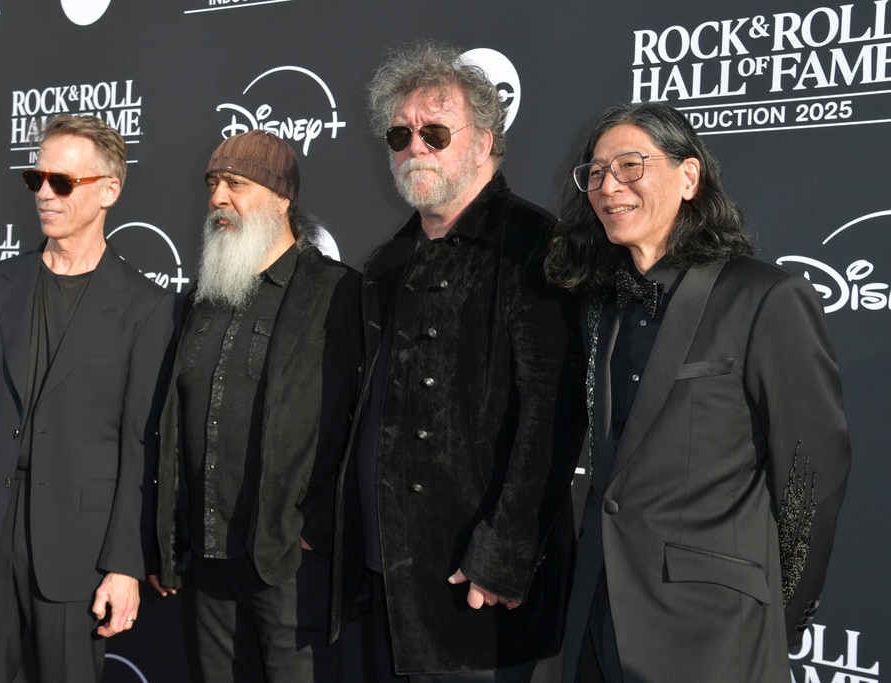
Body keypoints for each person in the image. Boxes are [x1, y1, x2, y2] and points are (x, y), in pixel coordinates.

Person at [544, 101, 852, 682]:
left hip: (714, 632)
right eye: (597, 172)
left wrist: (777, 618)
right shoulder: (602, 305)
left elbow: (810, 481)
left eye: (631, 165)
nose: (609, 186)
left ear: (689, 177)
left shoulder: (766, 298)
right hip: (596, 618)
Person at [330, 41, 586, 681]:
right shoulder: (384, 264)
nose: (415, 147)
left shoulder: (532, 245)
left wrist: (503, 554)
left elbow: (553, 417)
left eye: (436, 132)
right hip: (384, 581)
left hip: (478, 589)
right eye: (400, 134)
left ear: (484, 143)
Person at [0, 115, 175, 683]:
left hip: (77, 551)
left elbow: (140, 449)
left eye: (62, 182)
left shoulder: (145, 306)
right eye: (37, 179)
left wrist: (124, 565)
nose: (45, 194)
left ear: (109, 190)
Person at [151, 130, 362, 683]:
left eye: (236, 184)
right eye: (213, 184)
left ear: (282, 198)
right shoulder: (201, 299)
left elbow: (358, 423)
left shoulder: (336, 294)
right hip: (209, 558)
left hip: (289, 559)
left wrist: (314, 528)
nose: (218, 198)